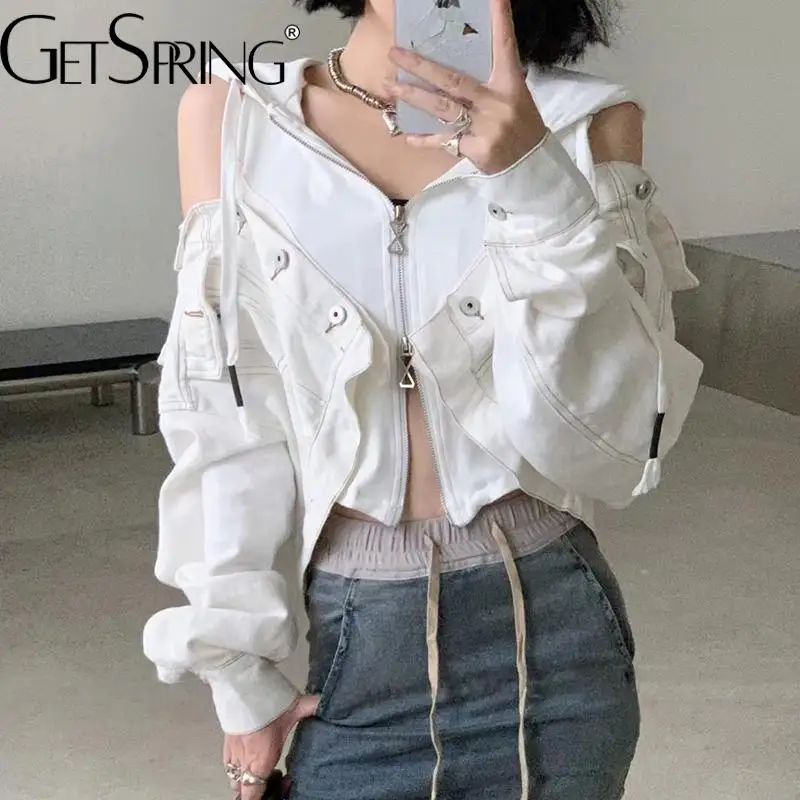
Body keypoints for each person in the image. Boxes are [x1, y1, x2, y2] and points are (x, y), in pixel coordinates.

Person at [142, 0, 704, 798]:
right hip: (357, 643)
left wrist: (530, 177)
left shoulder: (586, 123)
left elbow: (612, 446)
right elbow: (227, 425)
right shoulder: (231, 118)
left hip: (554, 640)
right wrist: (238, 674)